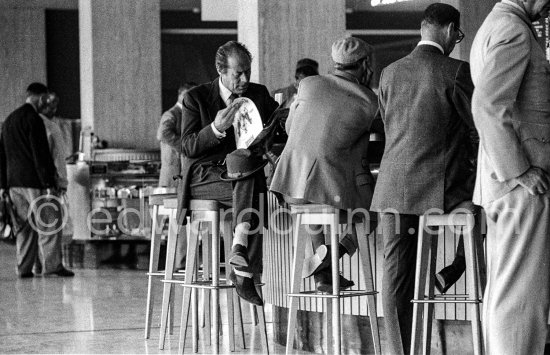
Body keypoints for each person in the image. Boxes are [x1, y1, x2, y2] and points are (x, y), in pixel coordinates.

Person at [370, 4, 476, 354]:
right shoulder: (457, 71)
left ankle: (402, 351)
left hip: (392, 187)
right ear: (449, 30)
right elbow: (481, 126)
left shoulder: (388, 73)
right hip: (440, 188)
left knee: (396, 278)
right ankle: (458, 268)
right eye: (457, 35)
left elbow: (389, 127)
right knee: (483, 213)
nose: (456, 41)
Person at [470, 1, 550, 353]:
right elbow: (486, 105)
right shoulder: (514, 30)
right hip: (520, 184)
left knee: (507, 291)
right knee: (522, 296)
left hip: (503, 182)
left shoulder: (495, 24)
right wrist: (520, 170)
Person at [270, 37, 378, 292]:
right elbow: (388, 133)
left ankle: (324, 276)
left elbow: (289, 127)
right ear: (364, 65)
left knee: (312, 200)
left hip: (290, 186)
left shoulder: (308, 85)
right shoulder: (368, 101)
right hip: (330, 189)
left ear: (336, 63)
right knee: (374, 214)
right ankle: (334, 252)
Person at [177, 41, 278, 305]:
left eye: (248, 71)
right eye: (238, 73)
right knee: (250, 179)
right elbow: (187, 146)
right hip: (204, 175)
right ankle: (242, 258)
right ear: (221, 70)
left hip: (241, 173)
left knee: (247, 171)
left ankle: (240, 259)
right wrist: (214, 129)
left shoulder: (259, 93)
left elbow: (279, 132)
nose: (245, 79)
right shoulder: (195, 97)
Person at [0, 83, 74, 278]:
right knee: (48, 225)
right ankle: (52, 266)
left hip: (14, 183)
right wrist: (49, 184)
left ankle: (23, 268)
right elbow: (40, 154)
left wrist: (2, 185)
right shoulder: (34, 120)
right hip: (35, 182)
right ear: (40, 98)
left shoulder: (9, 120)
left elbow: (1, 156)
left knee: (24, 227)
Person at [157, 82, 196, 188]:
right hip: (172, 172)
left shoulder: (188, 113)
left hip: (182, 170)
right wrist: (186, 147)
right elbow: (163, 134)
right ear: (181, 95)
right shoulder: (171, 114)